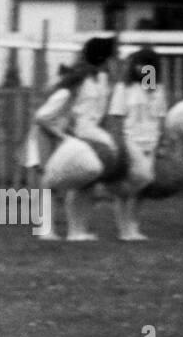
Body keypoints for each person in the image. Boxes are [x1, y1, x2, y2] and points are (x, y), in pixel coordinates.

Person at [25, 36, 119, 241]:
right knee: (48, 183)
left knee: (86, 181)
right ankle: (46, 230)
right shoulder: (74, 83)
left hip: (76, 137)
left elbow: (94, 114)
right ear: (103, 59)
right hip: (50, 135)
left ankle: (78, 231)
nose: (114, 63)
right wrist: (62, 136)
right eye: (111, 58)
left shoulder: (101, 81)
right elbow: (42, 117)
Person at [100, 47, 169, 241]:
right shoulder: (124, 89)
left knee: (141, 188)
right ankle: (124, 228)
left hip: (151, 142)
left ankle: (133, 226)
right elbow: (116, 116)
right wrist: (119, 143)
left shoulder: (156, 89)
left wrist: (161, 141)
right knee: (131, 185)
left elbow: (160, 116)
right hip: (131, 142)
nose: (140, 68)